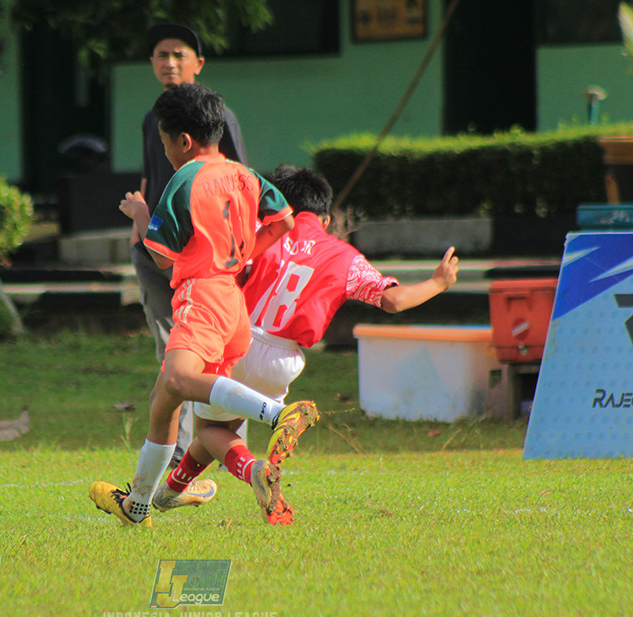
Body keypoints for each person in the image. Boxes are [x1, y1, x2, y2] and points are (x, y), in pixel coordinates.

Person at [155, 165, 460, 524]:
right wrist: (438, 283)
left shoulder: (260, 229)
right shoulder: (345, 257)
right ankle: (169, 493)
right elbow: (393, 301)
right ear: (327, 219)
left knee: (210, 429)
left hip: (234, 338)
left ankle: (253, 471)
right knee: (222, 430)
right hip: (283, 360)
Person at [90, 84, 319, 527]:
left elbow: (160, 255)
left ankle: (277, 414)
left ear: (183, 141)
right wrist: (247, 256)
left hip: (202, 295)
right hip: (235, 304)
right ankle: (140, 504)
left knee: (177, 378)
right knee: (168, 404)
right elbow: (284, 220)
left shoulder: (185, 178)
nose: (166, 154)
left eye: (164, 144)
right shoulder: (244, 175)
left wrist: (140, 214)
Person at [132, 23, 248, 467]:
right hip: (154, 251)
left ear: (199, 64)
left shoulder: (218, 120)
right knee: (169, 354)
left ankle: (183, 454)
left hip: (200, 264)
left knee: (186, 364)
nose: (170, 63)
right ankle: (173, 461)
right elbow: (149, 175)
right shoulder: (152, 119)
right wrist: (139, 228)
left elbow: (237, 182)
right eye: (162, 55)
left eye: (180, 55)